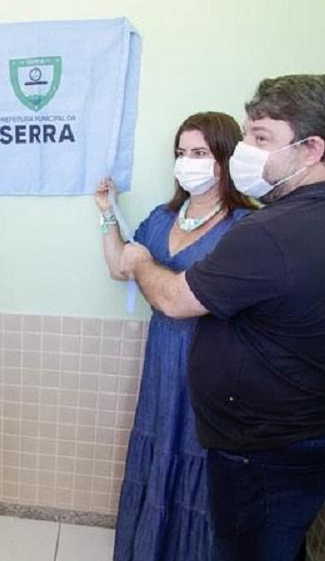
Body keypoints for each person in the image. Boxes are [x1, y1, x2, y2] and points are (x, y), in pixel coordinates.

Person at [119, 75, 325, 561]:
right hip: (288, 433)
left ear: (312, 149)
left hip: (264, 447)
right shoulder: (168, 217)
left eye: (261, 138)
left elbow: (174, 299)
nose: (246, 151)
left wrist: (143, 264)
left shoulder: (261, 229)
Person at [95, 112, 256, 561]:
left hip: (213, 363)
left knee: (199, 459)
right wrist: (107, 214)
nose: (188, 162)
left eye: (200, 153)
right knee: (158, 445)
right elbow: (121, 267)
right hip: (163, 357)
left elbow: (169, 290)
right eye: (182, 153)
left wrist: (146, 266)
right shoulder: (163, 217)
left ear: (225, 159)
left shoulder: (245, 226)